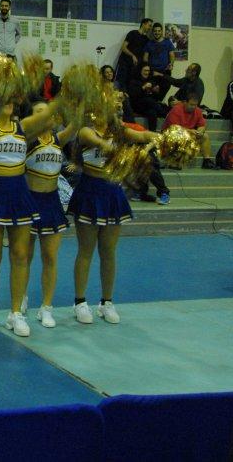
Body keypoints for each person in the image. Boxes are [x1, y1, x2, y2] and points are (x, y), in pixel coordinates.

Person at [0, 98, 59, 337]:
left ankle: (15, 313)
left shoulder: (23, 127)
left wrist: (67, 94)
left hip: (19, 193)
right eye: (4, 99)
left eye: (11, 99)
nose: (8, 102)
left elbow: (48, 114)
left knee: (20, 255)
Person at [68, 115, 158, 325]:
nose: (115, 110)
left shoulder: (120, 130)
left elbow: (143, 135)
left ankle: (106, 302)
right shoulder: (86, 131)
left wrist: (162, 136)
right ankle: (80, 302)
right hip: (90, 192)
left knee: (108, 251)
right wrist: (124, 152)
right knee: (86, 250)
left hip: (112, 193)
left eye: (118, 108)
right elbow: (99, 143)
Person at [25, 99, 79, 328]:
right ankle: (21, 297)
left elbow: (76, 124)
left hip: (52, 202)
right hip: (29, 201)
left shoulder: (58, 139)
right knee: (23, 257)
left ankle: (46, 307)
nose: (43, 116)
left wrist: (83, 97)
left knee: (50, 257)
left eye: (46, 112)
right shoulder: (27, 139)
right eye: (38, 112)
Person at [163, 94, 216, 169]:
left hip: (187, 133)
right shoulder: (176, 110)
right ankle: (174, 161)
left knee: (204, 136)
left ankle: (207, 161)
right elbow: (174, 128)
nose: (193, 107)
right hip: (170, 134)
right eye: (191, 105)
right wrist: (190, 131)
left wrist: (200, 131)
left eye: (195, 105)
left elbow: (202, 125)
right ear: (185, 102)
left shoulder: (197, 111)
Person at [115, 18, 153, 90]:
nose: (150, 28)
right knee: (120, 83)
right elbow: (123, 47)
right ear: (143, 24)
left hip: (134, 67)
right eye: (149, 25)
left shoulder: (146, 39)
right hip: (124, 64)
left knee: (129, 85)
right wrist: (132, 55)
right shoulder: (132, 33)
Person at [127, 64, 168, 131]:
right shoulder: (134, 81)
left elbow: (156, 98)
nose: (147, 73)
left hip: (148, 106)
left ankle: (152, 133)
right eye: (145, 70)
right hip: (137, 105)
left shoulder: (151, 81)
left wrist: (156, 91)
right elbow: (133, 95)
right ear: (140, 71)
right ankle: (166, 115)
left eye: (148, 71)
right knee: (148, 100)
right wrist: (143, 88)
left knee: (152, 112)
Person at [143, 22, 173, 98]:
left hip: (165, 71)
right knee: (152, 90)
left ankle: (159, 102)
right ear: (153, 32)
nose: (157, 32)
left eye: (159, 31)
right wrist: (149, 69)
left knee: (165, 88)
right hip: (153, 71)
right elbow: (145, 58)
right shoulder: (149, 43)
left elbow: (172, 55)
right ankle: (155, 103)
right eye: (155, 31)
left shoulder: (167, 42)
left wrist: (171, 64)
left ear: (161, 31)